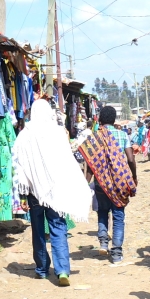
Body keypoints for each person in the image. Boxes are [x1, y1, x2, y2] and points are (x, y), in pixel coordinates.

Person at [13, 99, 92, 286]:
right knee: (58, 229)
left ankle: (41, 269)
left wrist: (22, 194)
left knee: (38, 231)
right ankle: (62, 269)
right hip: (54, 191)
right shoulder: (57, 132)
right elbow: (66, 161)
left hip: (33, 192)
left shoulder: (24, 135)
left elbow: (19, 165)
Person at [80, 105, 137, 263]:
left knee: (102, 212)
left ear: (100, 119)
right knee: (118, 217)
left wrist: (86, 183)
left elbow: (90, 164)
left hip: (100, 183)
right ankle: (117, 254)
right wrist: (133, 176)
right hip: (119, 183)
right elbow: (131, 159)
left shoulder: (94, 138)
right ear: (113, 120)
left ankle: (104, 244)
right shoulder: (122, 135)